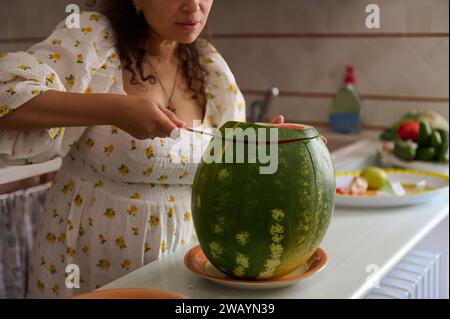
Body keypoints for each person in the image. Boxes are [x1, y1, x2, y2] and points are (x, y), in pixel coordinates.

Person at [0, 0, 284, 298]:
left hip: (180, 264)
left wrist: (257, 147)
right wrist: (114, 109)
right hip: (85, 261)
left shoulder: (210, 67)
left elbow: (224, 166)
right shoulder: (93, 38)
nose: (194, 6)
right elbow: (7, 96)